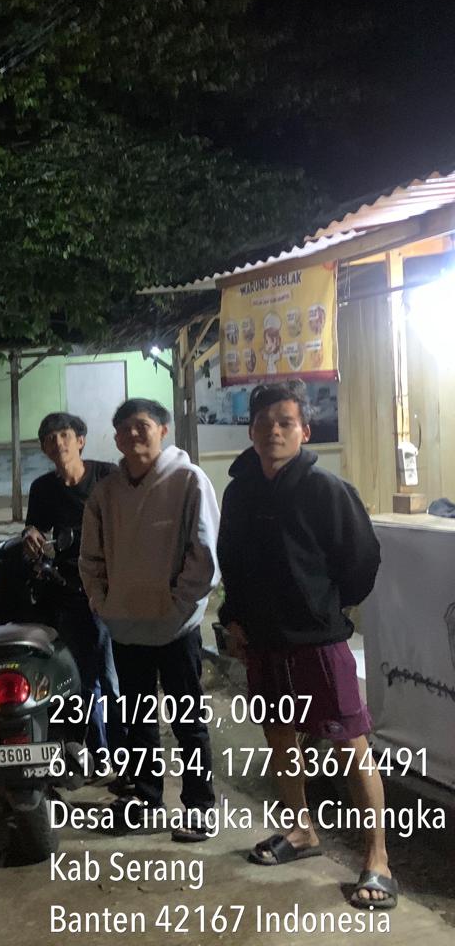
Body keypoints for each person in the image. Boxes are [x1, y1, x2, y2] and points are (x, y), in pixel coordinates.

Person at [218, 381, 395, 909]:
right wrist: (234, 618)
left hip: (318, 640)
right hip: (262, 640)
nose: (274, 431)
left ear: (305, 431)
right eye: (264, 423)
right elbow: (232, 562)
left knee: (350, 743)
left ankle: (378, 858)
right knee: (279, 735)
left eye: (285, 423)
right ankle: (301, 831)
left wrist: (326, 609)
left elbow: (362, 560)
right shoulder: (239, 493)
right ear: (251, 431)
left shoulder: (326, 489)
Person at [79, 398, 220, 841]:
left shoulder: (188, 480)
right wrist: (103, 603)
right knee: (136, 719)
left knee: (187, 721)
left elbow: (205, 555)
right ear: (116, 439)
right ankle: (144, 797)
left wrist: (179, 606)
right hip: (126, 626)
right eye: (123, 429)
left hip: (177, 627)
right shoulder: (106, 493)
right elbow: (90, 557)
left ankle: (199, 805)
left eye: (142, 425)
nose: (132, 434)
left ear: (163, 429)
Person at [22, 412, 120, 753]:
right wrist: (31, 534)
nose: (58, 443)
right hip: (69, 589)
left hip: (112, 588)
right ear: (44, 449)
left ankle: (124, 751)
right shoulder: (42, 488)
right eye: (50, 438)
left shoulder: (107, 476)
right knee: (84, 676)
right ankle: (99, 751)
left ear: (80, 440)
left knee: (113, 675)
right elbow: (35, 528)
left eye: (64, 435)